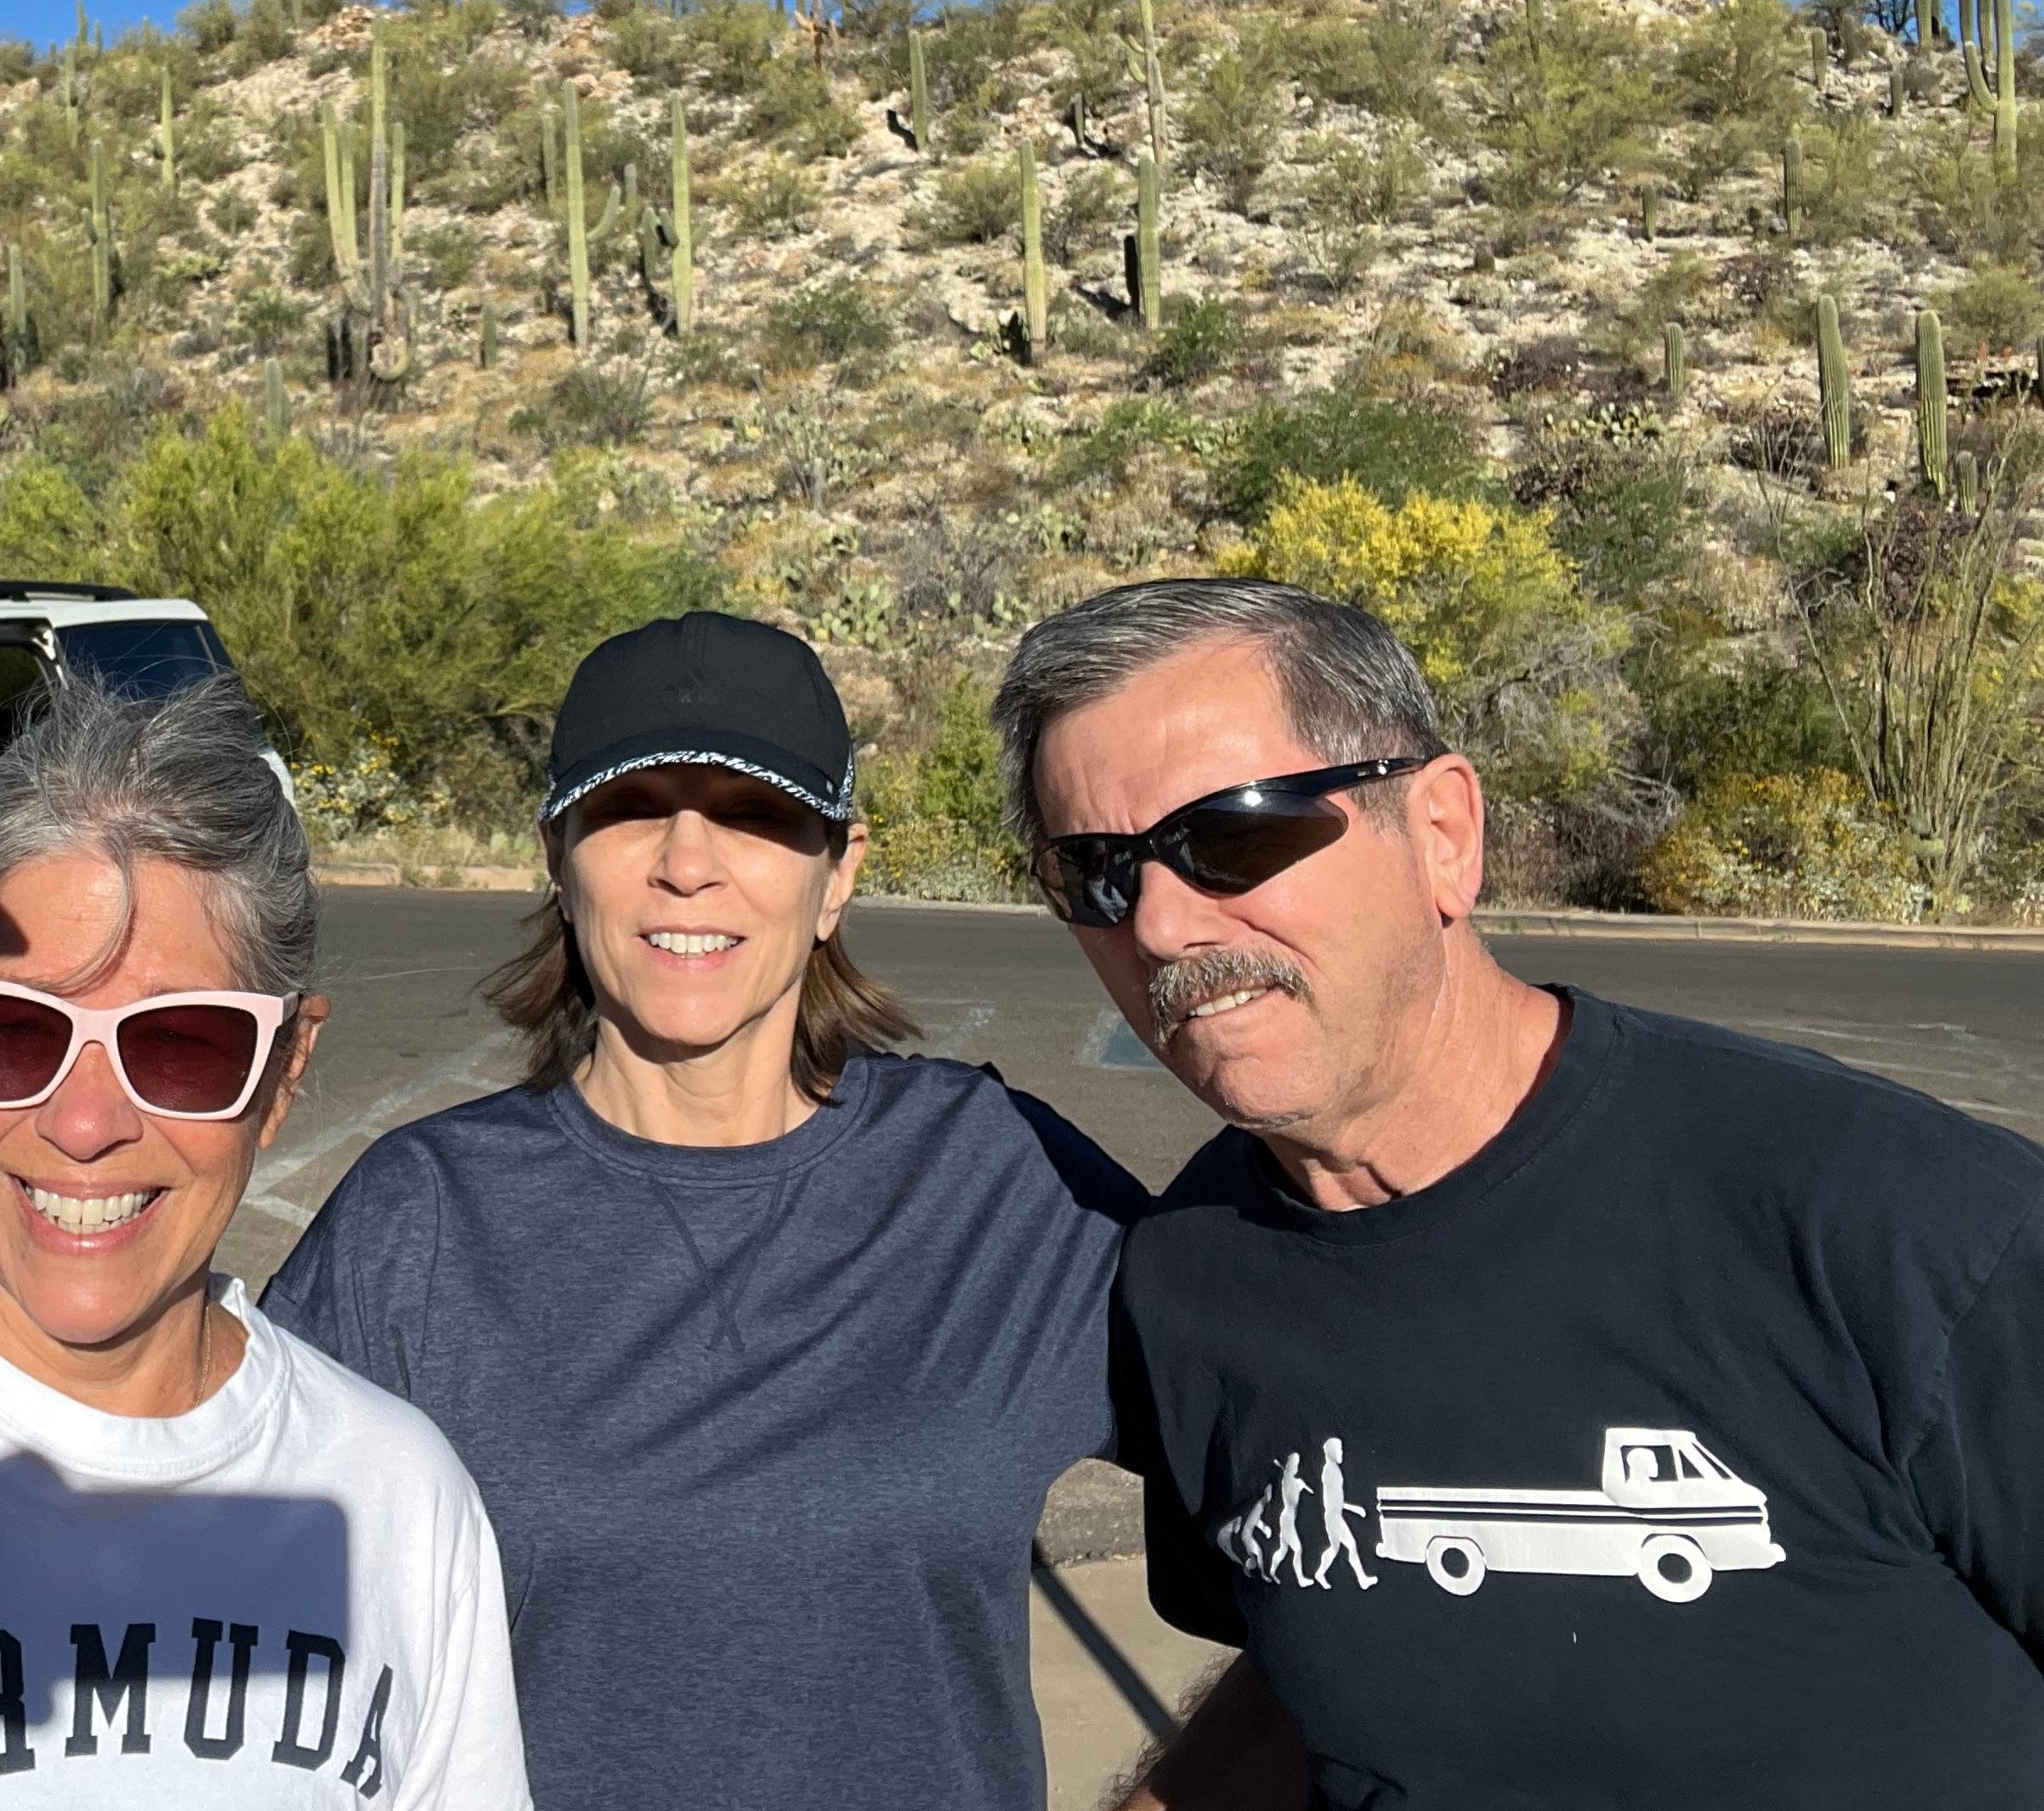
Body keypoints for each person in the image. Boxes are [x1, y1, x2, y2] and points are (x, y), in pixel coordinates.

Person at [992, 575, 2044, 1808]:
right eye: (1096, 873)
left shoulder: (1901, 1220)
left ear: (1442, 834)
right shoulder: (1187, 1275)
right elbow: (1317, 1661)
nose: (1161, 926)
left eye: (1232, 835)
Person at [263, 611, 1142, 1810]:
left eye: (755, 812)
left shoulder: (997, 1179)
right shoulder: (418, 1222)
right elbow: (246, 1638)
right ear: (558, 856)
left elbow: (1314, 1448)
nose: (688, 862)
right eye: (633, 810)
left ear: (838, 874)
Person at [0, 675, 531, 1808]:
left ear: (284, 1073)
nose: (84, 1125)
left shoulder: (396, 1497)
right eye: (10, 1034)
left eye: (182, 1046)